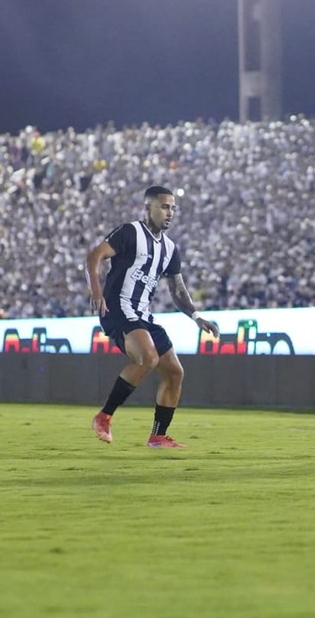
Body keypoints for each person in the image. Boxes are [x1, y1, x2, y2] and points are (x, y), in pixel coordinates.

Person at [85, 186, 219, 448]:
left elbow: (177, 289)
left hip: (143, 315)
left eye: (173, 208)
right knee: (148, 357)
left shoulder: (170, 249)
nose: (169, 213)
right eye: (164, 207)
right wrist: (96, 291)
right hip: (118, 309)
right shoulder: (129, 232)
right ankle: (103, 417)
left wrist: (195, 316)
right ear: (148, 208)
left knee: (175, 373)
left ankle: (158, 436)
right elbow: (94, 256)